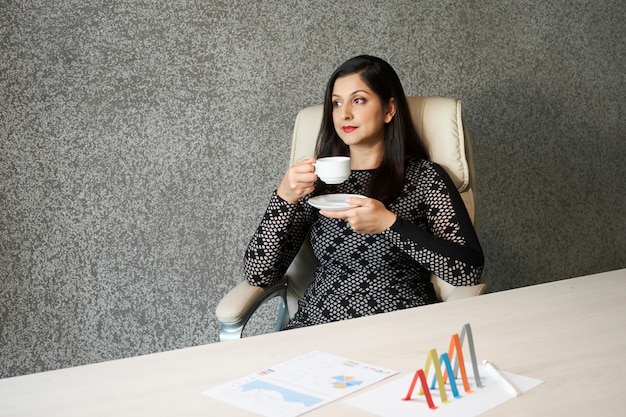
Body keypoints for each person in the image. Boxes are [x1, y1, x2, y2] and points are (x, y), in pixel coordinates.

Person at [244, 55, 484, 329]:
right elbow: (259, 274)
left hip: (399, 328)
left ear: (388, 109)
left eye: (358, 100)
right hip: (316, 329)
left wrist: (390, 224)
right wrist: (284, 197)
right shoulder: (313, 182)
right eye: (336, 103)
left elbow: (467, 272)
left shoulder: (424, 177)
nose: (344, 113)